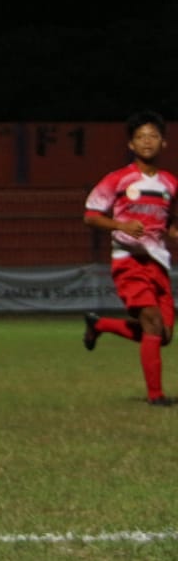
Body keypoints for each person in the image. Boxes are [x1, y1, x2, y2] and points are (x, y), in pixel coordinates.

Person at [82, 110, 178, 406]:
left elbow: (169, 220)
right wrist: (121, 226)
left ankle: (100, 325)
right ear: (131, 145)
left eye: (153, 135)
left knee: (163, 335)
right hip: (129, 261)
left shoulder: (171, 183)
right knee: (151, 322)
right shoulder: (118, 179)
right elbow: (91, 217)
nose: (147, 141)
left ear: (164, 143)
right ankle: (156, 397)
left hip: (158, 263)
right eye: (140, 137)